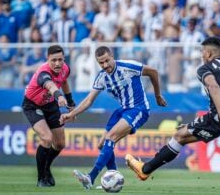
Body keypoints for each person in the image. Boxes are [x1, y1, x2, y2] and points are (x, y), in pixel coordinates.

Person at [125, 37, 220, 194]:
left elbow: (213, 86)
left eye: (202, 52)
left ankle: (146, 169)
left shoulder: (205, 68)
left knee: (180, 136)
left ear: (209, 53)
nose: (201, 55)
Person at [59, 46, 167, 189]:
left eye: (106, 61)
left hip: (139, 109)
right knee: (102, 145)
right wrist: (71, 114)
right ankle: (114, 178)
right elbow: (89, 100)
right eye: (101, 63)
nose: (105, 65)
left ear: (112, 56)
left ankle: (90, 177)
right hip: (122, 110)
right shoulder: (102, 77)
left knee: (110, 138)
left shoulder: (128, 66)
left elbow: (153, 72)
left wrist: (158, 96)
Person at [22, 45, 75, 187]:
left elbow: (64, 82)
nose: (57, 63)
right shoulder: (43, 72)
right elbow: (51, 86)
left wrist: (70, 103)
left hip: (50, 105)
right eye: (54, 60)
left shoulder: (65, 68)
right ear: (48, 59)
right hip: (33, 105)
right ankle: (41, 179)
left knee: (60, 144)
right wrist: (59, 97)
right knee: (46, 138)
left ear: (64, 59)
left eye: (60, 60)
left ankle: (46, 168)